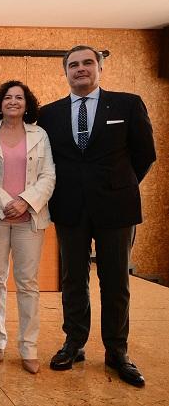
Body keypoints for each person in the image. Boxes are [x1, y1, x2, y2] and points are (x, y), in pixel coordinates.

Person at [37, 45, 156, 388]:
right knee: (73, 279)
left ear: (99, 67)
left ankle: (117, 352)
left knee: (116, 282)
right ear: (65, 72)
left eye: (87, 62)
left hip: (116, 209)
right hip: (70, 208)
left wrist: (117, 185)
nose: (80, 69)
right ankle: (74, 343)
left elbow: (144, 154)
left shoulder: (128, 104)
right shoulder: (50, 114)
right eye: (73, 65)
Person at [0, 80, 55, 374]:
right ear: (0, 103)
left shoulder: (40, 134)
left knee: (27, 284)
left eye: (19, 97)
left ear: (27, 104)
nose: (13, 101)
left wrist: (24, 201)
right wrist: (5, 202)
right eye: (8, 97)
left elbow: (48, 175)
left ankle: (29, 347)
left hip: (30, 219)